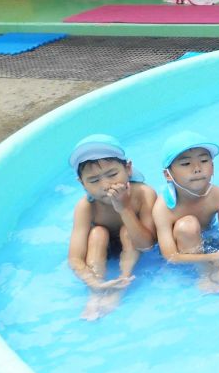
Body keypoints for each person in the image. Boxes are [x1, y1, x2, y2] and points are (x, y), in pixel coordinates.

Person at [152, 131, 219, 316]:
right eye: (186, 164)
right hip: (185, 250)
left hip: (208, 242)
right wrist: (215, 257)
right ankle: (204, 275)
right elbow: (171, 256)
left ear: (213, 167)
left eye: (203, 161)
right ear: (168, 174)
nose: (197, 169)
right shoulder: (163, 208)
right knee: (187, 225)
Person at [67, 134, 157, 321]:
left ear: (128, 169)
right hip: (103, 250)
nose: (106, 185)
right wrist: (92, 282)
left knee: (127, 231)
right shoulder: (86, 207)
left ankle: (122, 283)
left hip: (134, 245)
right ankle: (95, 294)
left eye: (112, 175)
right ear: (82, 183)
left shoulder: (143, 194)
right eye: (94, 181)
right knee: (97, 233)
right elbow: (75, 258)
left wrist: (124, 209)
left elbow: (147, 245)